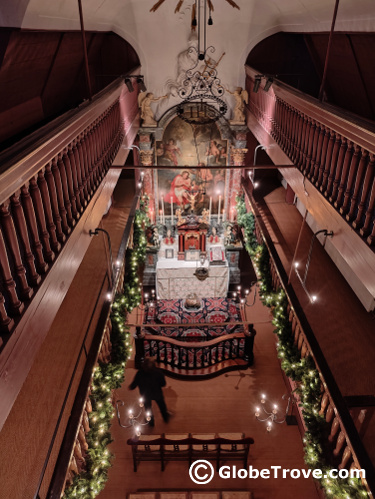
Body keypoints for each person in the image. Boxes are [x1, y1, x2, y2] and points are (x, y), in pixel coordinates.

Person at [129, 357, 170, 426]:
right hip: (157, 393)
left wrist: (131, 387)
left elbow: (134, 384)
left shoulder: (139, 373)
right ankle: (165, 417)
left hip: (145, 395)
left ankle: (151, 422)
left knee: (148, 408)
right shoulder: (158, 373)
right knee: (162, 405)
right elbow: (163, 384)